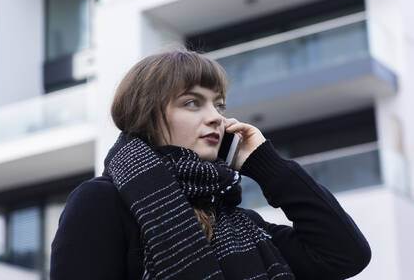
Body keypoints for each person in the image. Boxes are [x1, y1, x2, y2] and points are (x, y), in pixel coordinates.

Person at [50, 50, 371, 280]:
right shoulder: (102, 201)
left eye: (219, 104)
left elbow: (345, 255)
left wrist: (265, 165)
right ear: (145, 114)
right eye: (192, 102)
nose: (216, 117)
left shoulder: (238, 222)